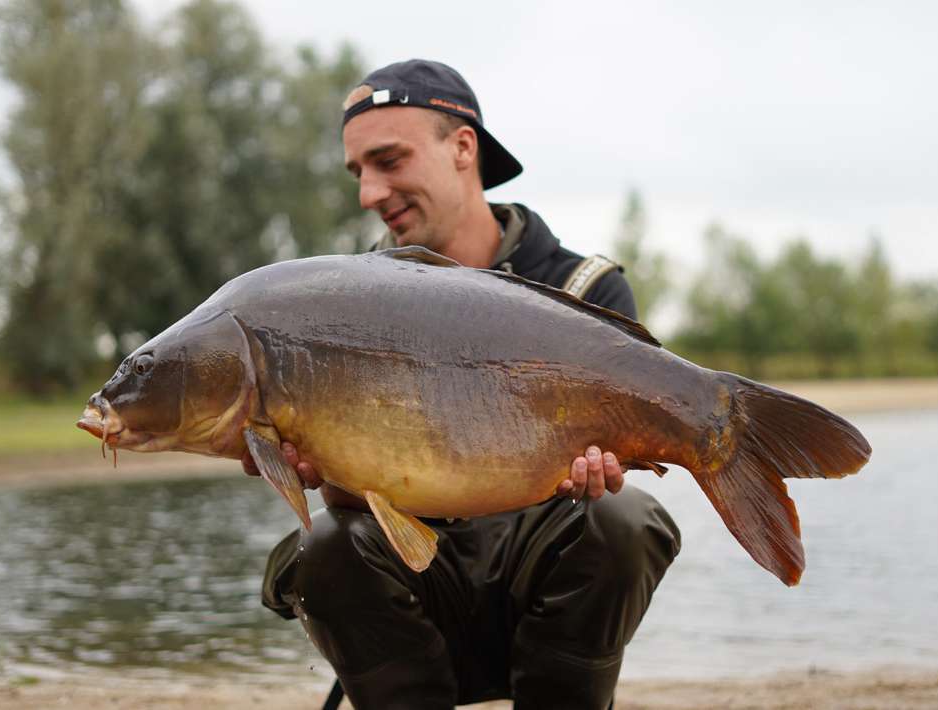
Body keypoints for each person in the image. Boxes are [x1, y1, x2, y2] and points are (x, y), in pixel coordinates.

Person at [249, 59, 681, 710]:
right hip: (420, 598)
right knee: (325, 543)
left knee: (619, 515)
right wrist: (319, 466)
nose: (368, 192)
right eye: (358, 172)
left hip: (546, 601)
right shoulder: (338, 305)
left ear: (462, 148)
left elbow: (613, 478)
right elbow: (350, 514)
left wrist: (607, 466)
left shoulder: (583, 289)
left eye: (388, 161)